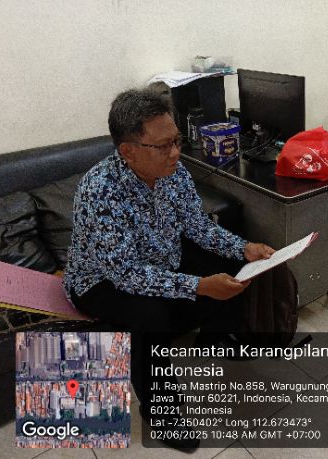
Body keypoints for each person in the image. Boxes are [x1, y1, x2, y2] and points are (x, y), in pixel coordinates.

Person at [63, 87, 274, 451]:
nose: (175, 152)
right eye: (163, 146)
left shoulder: (173, 172)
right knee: (150, 317)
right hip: (100, 279)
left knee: (236, 264)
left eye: (176, 141)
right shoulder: (99, 191)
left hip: (160, 257)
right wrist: (198, 286)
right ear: (128, 151)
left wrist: (245, 248)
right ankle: (162, 415)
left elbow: (198, 226)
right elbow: (127, 274)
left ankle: (215, 339)